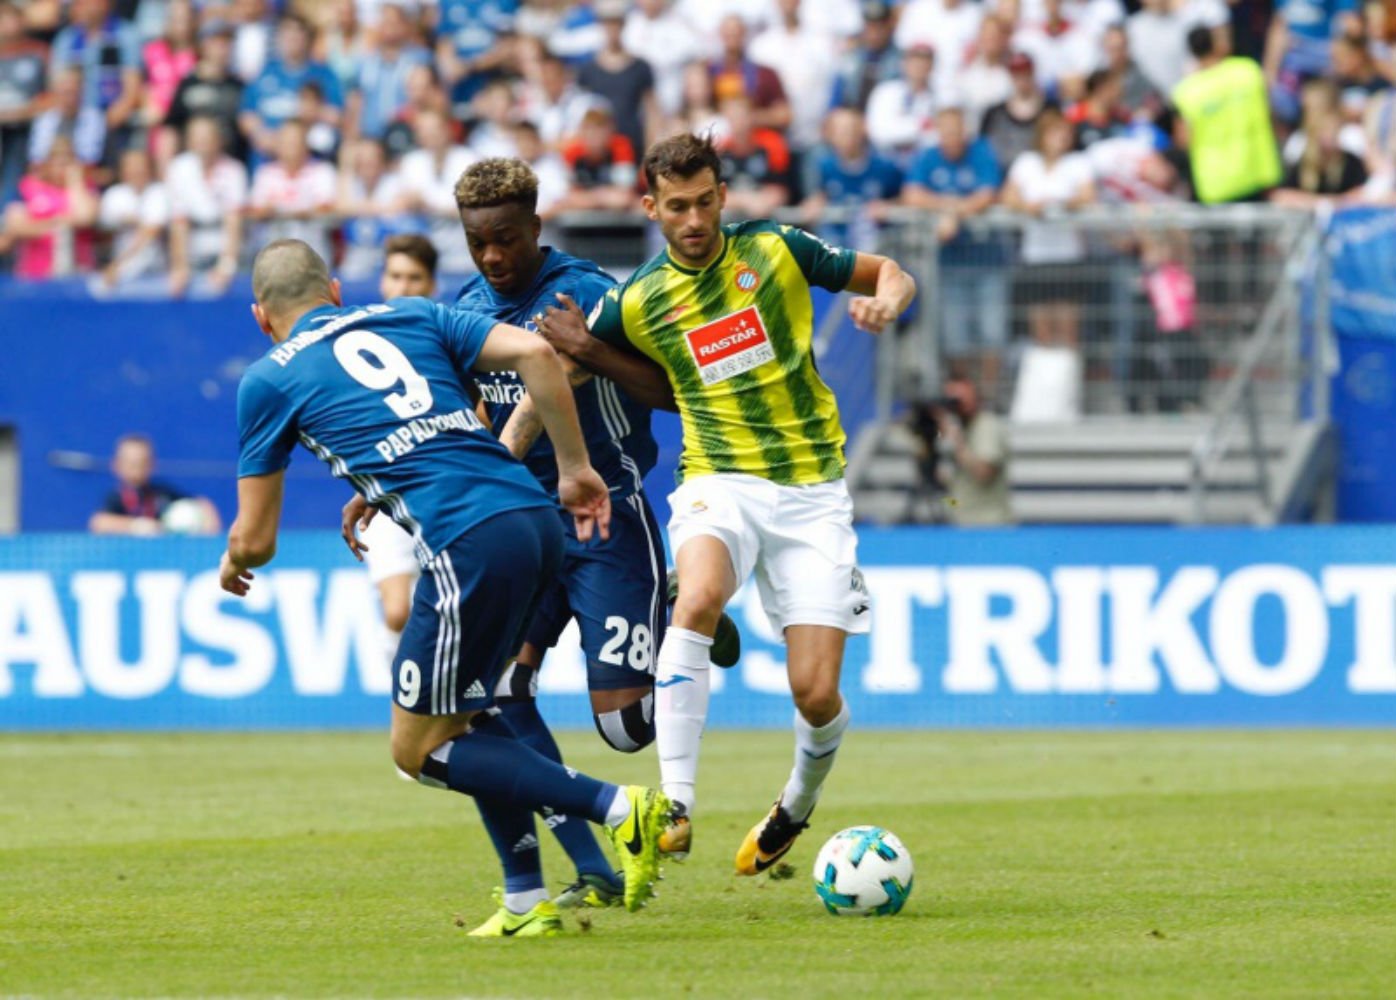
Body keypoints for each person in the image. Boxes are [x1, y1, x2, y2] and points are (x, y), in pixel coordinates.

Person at [223, 238, 671, 936]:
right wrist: (576, 468)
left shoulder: (269, 377)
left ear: (260, 316)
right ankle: (525, 899)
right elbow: (536, 355)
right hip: (533, 512)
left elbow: (257, 540)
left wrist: (232, 559)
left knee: (417, 749)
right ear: (337, 291)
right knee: (472, 712)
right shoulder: (411, 316)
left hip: (467, 543)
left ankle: (620, 809)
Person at [535, 132, 917, 873]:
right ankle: (675, 803)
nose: (694, 219)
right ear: (650, 207)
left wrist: (887, 301)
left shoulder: (775, 250)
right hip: (719, 478)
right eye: (677, 206)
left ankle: (797, 803)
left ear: (721, 196)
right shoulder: (640, 298)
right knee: (701, 594)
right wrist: (514, 436)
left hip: (812, 491)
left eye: (705, 201)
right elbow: (582, 369)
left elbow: (890, 271)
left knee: (814, 693)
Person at [89, 433, 221, 535]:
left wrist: (208, 529)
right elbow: (99, 523)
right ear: (117, 465)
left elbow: (202, 503)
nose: (137, 470)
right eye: (131, 464)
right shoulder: (114, 498)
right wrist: (138, 526)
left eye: (142, 463)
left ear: (152, 464)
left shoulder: (161, 493)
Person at [929, 377, 1013, 526]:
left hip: (989, 524)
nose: (956, 406)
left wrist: (957, 441)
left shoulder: (987, 425)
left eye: (960, 400)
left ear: (975, 399)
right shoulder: (951, 430)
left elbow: (984, 474)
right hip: (959, 520)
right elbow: (945, 485)